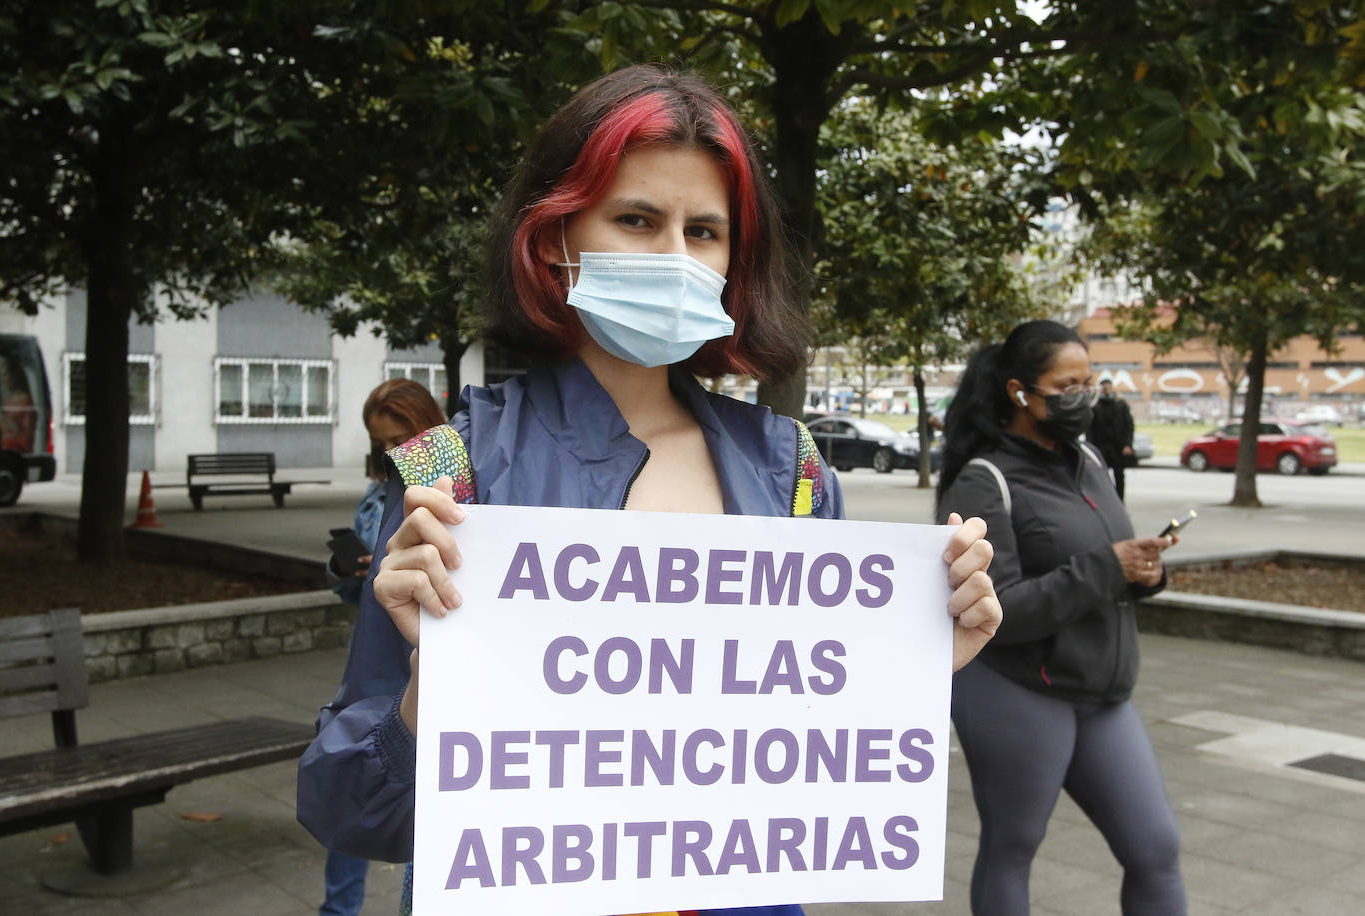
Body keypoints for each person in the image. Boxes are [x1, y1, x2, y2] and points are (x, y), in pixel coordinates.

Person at [298, 64, 1003, 916]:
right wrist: (427, 693)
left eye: (704, 231)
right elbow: (343, 805)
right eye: (637, 219)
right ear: (557, 236)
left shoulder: (796, 477)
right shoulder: (453, 475)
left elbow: (809, 751)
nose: (675, 257)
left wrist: (915, 657)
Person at [935, 320, 1186, 916]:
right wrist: (1108, 568)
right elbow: (1000, 610)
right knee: (1013, 846)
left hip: (1103, 692)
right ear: (1021, 393)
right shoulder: (984, 480)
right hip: (1018, 689)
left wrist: (1144, 572)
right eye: (1066, 384)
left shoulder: (1090, 459)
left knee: (1156, 852)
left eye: (1090, 381)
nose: (1084, 396)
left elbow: (1108, 562)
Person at [319, 378, 445, 916]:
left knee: (425, 800)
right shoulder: (380, 490)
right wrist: (350, 569)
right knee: (356, 786)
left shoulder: (452, 478)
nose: (393, 451)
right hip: (378, 660)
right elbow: (354, 591)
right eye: (382, 442)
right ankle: (338, 909)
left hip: (425, 659)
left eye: (401, 437)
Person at [1087, 377, 1135, 500]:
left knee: (1119, 476)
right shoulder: (1095, 405)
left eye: (1108, 386)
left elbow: (1129, 425)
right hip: (1101, 447)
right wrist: (1091, 448)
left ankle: (1120, 501)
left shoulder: (1120, 404)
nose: (1106, 389)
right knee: (1102, 476)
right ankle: (1107, 500)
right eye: (1104, 387)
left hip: (1118, 447)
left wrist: (1127, 444)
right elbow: (1090, 428)